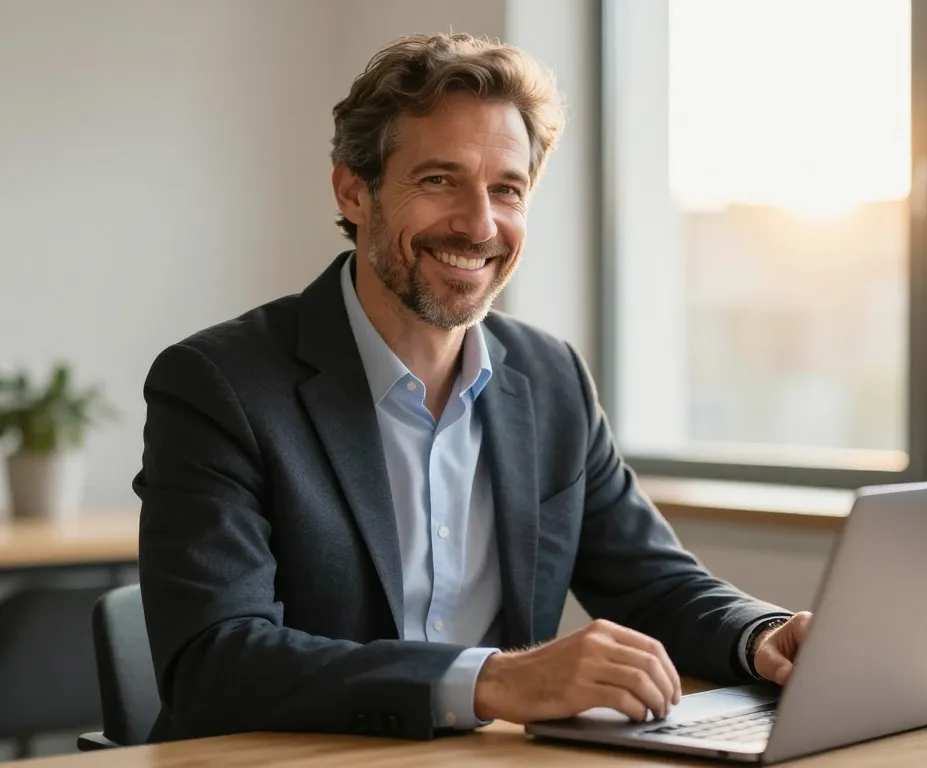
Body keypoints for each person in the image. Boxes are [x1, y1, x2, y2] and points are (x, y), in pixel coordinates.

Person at [134, 32, 811, 743]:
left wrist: (761, 634)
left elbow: (654, 582)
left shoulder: (552, 379)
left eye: (506, 190)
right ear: (354, 191)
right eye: (438, 180)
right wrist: (493, 681)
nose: (479, 224)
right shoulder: (218, 386)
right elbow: (214, 663)